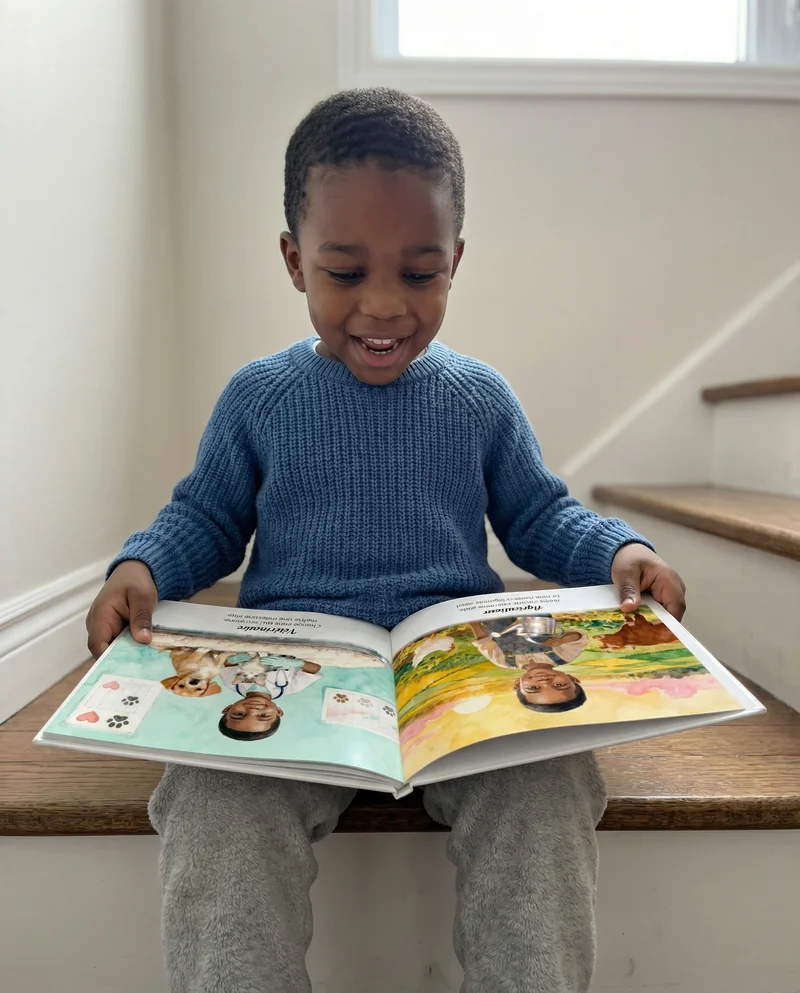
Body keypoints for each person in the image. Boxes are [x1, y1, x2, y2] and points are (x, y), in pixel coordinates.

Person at [85, 87, 686, 993]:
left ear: (456, 262)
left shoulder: (479, 397)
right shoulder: (260, 397)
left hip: (459, 677)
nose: (382, 307)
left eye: (418, 274)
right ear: (294, 261)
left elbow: (538, 514)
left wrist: (617, 553)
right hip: (296, 681)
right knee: (214, 802)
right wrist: (141, 565)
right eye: (344, 272)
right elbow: (205, 516)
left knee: (547, 783)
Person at [470, 617, 589, 712]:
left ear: (517, 684)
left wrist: (474, 623)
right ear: (571, 678)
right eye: (559, 685)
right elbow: (578, 637)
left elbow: (483, 641)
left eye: (534, 688)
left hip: (497, 619)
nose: (544, 682)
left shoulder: (504, 661)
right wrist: (562, 641)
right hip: (534, 612)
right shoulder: (564, 656)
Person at [219, 653, 322, 698]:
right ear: (279, 712)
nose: (253, 710)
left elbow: (228, 664)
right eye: (263, 716)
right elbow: (315, 668)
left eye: (239, 714)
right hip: (284, 648)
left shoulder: (231, 684)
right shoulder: (292, 688)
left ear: (229, 708)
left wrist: (231, 660)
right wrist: (291, 662)